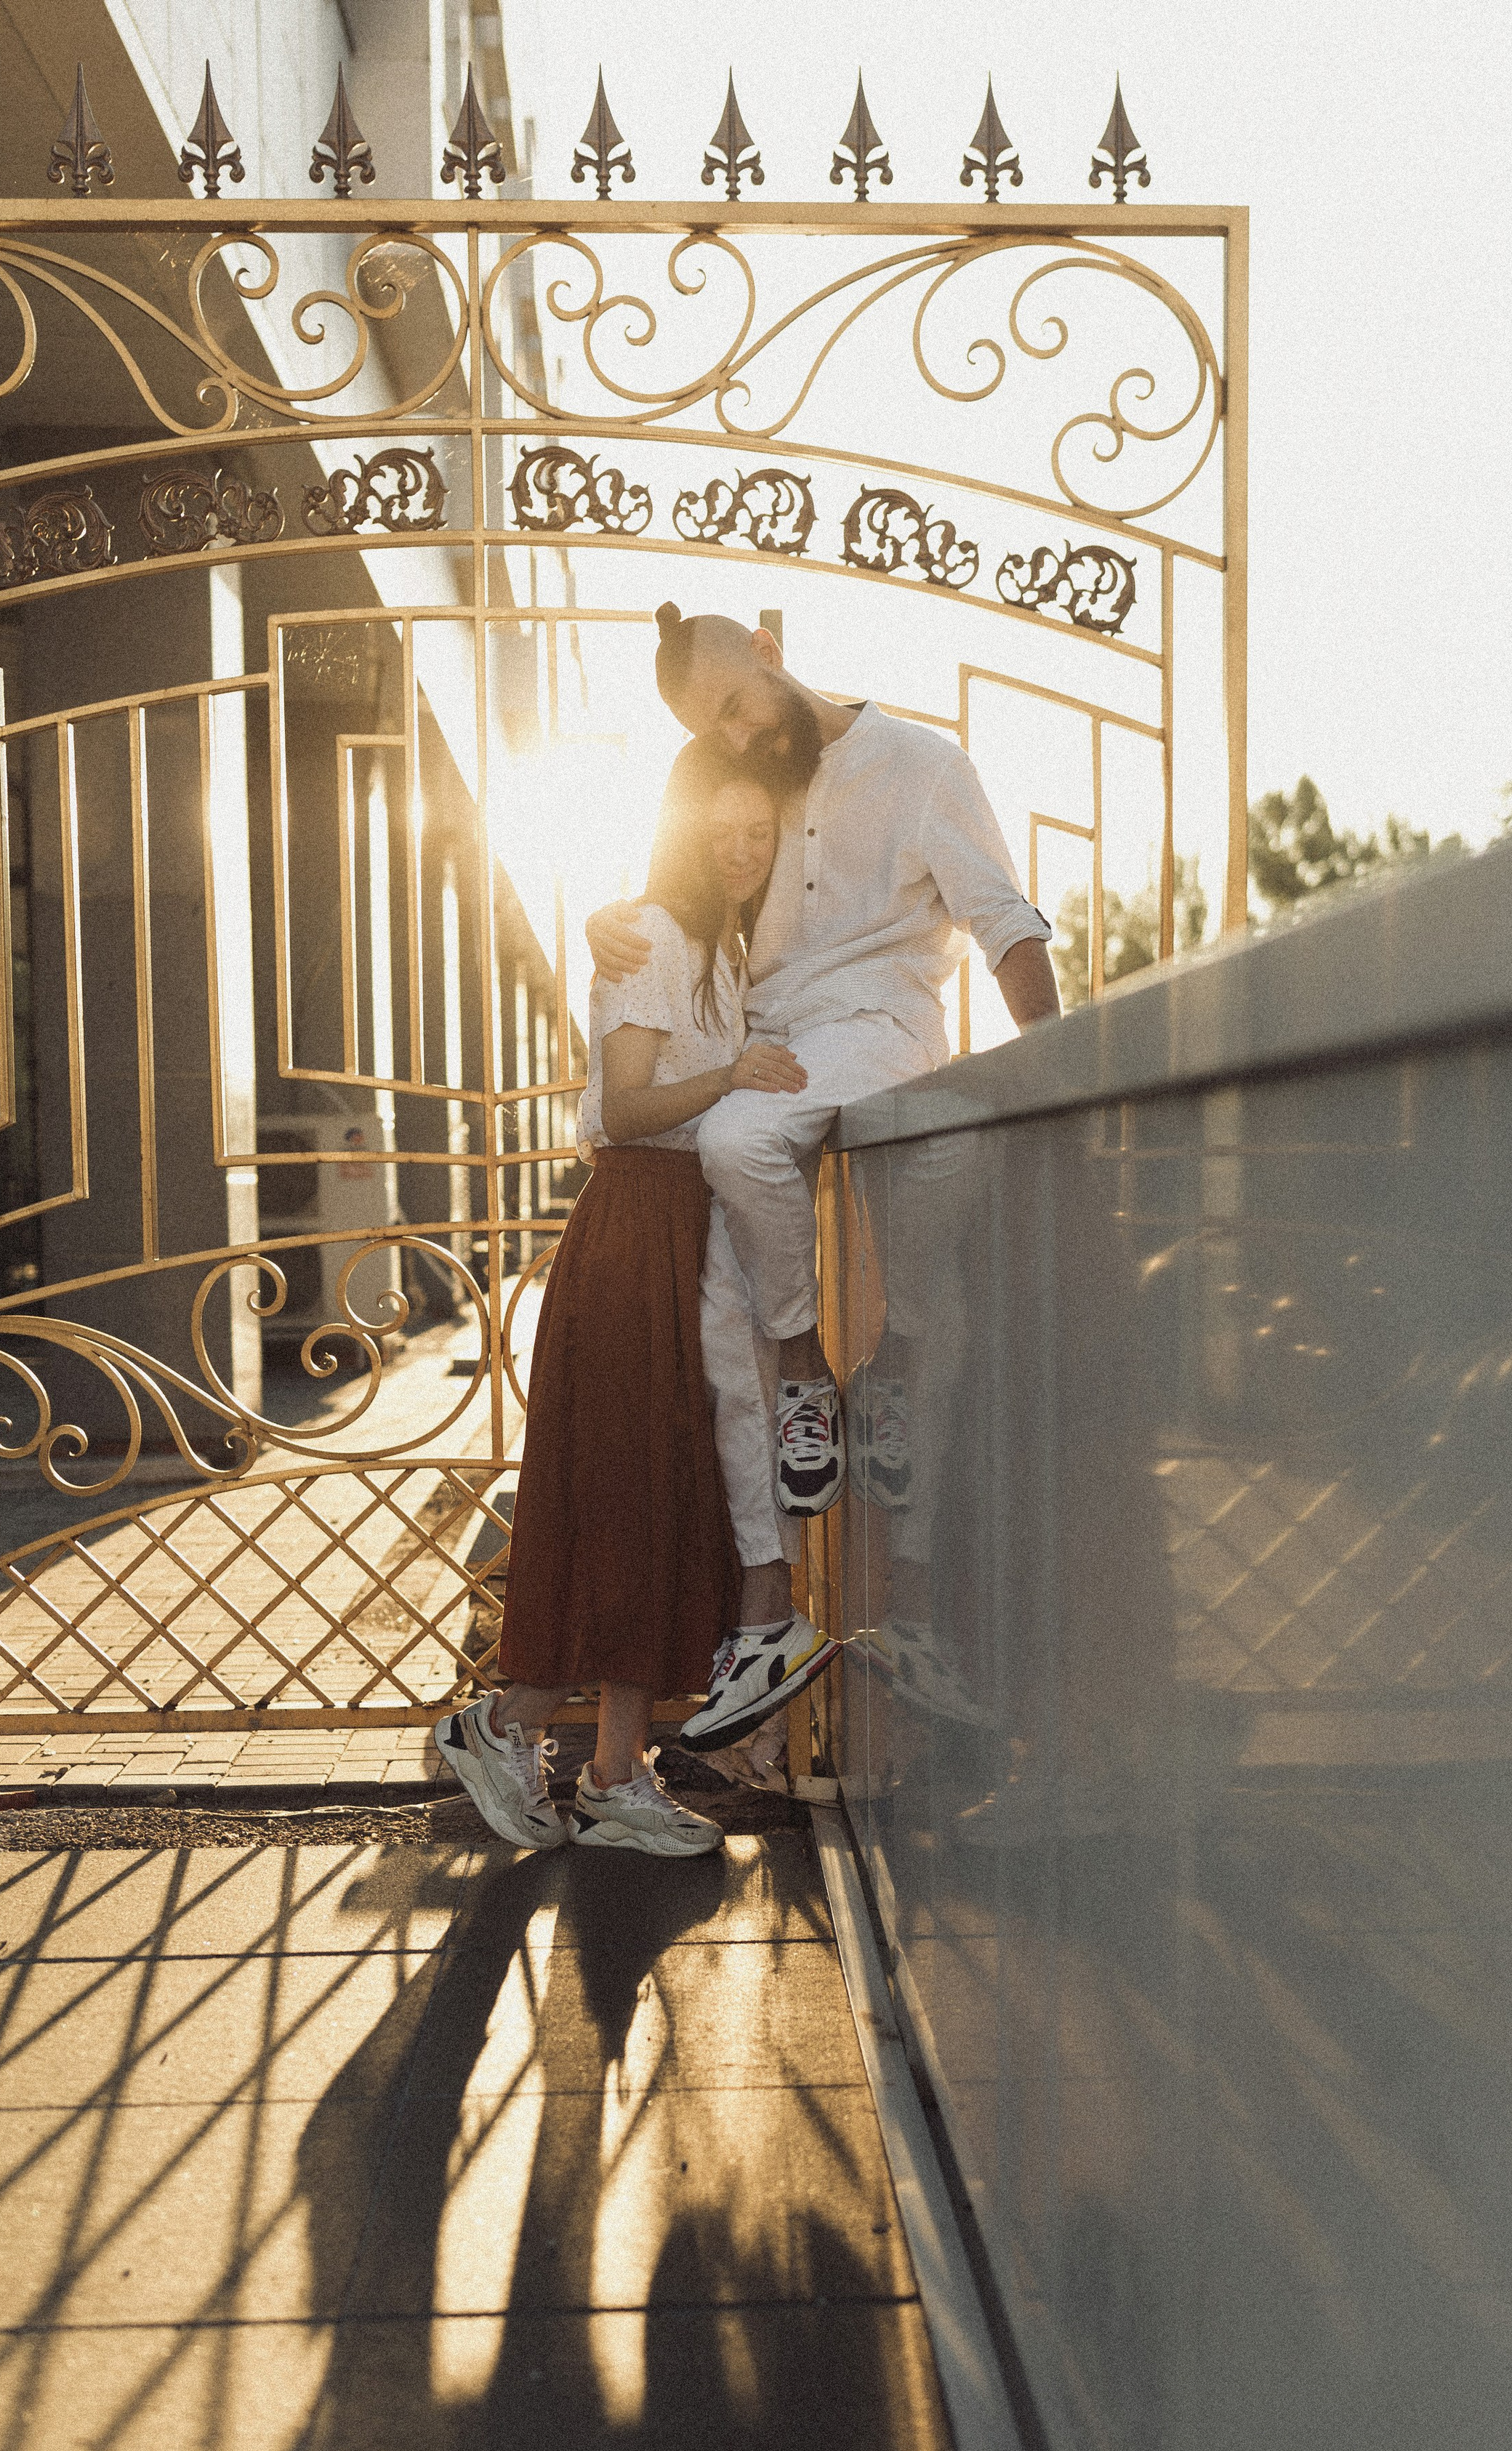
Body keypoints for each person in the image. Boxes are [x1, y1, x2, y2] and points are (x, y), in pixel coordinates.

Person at [585, 605, 1062, 1734]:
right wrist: (618, 914)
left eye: (736, 710)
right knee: (726, 1322)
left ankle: (893, 1561)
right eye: (713, 734)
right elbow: (693, 870)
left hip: (877, 1032)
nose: (738, 741)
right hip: (767, 1045)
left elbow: (1004, 923)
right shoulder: (752, 777)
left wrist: (1060, 1068)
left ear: (770, 653)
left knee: (781, 1180)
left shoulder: (921, 766)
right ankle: (774, 1617)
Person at [435, 738, 838, 1855]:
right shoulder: (654, 936)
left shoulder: (722, 950)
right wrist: (734, 1075)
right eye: (724, 830)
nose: (743, 851)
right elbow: (624, 1104)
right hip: (634, 1234)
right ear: (684, 832)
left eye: (761, 833)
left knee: (655, 1507)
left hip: (685, 1237)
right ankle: (505, 1725)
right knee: (622, 1502)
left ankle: (617, 1772)